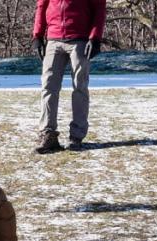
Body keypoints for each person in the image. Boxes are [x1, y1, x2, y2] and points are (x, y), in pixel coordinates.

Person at [31, 0, 107, 153]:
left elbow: (99, 8)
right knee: (48, 87)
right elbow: (42, 6)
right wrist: (37, 36)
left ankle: (76, 136)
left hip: (80, 40)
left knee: (80, 88)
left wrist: (95, 38)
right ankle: (47, 134)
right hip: (53, 39)